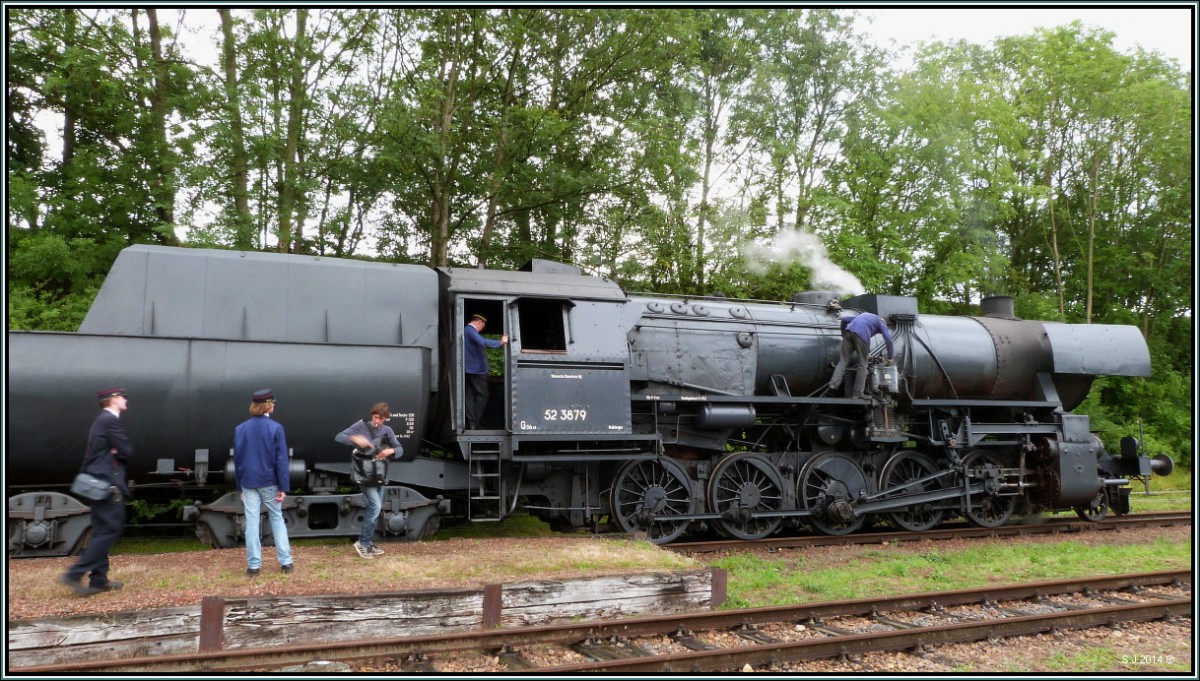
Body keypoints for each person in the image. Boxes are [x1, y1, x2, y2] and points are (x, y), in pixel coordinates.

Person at [60, 387, 133, 596]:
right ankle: (74, 574)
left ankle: (98, 580)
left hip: (97, 486)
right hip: (107, 486)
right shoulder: (110, 421)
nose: (125, 400)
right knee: (110, 530)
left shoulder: (100, 421)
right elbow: (127, 450)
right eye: (122, 397)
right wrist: (117, 451)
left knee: (102, 532)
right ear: (112, 400)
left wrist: (114, 450)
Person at [233, 389, 293, 576]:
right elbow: (281, 460)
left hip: (249, 482)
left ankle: (253, 567)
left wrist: (239, 486)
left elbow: (238, 460)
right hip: (269, 482)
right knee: (276, 518)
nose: (274, 405)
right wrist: (283, 487)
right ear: (268, 405)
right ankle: (286, 563)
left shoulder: (240, 429)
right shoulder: (276, 428)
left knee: (252, 522)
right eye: (272, 402)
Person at [335, 403, 403, 559]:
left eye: (380, 418)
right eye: (375, 417)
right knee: (375, 506)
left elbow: (400, 449)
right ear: (372, 415)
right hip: (365, 475)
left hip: (379, 475)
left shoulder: (388, 431)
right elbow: (339, 437)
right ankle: (363, 544)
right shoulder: (360, 426)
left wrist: (390, 451)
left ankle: (368, 543)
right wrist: (355, 439)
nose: (376, 421)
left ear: (386, 418)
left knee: (375, 510)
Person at [829, 305, 895, 400]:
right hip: (861, 337)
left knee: (843, 361)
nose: (878, 333)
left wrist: (843, 333)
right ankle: (858, 393)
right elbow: (888, 339)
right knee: (863, 365)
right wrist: (890, 357)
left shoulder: (863, 316)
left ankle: (833, 385)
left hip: (848, 333)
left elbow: (844, 319)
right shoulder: (881, 322)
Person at [463, 313, 508, 430]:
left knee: (469, 395)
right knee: (483, 394)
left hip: (468, 369)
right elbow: (482, 342)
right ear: (480, 322)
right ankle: (475, 421)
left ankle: (472, 423)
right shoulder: (470, 330)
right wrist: (500, 342)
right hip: (475, 370)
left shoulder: (466, 331)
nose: (483, 328)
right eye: (483, 326)